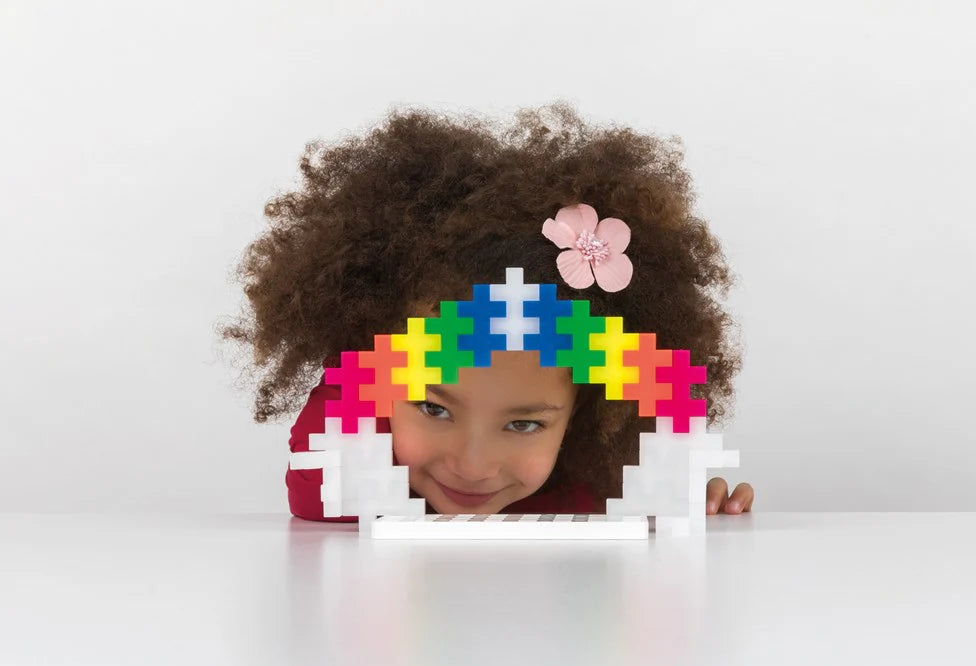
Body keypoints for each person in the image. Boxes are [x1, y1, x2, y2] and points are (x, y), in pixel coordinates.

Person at [221, 101, 755, 522]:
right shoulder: (349, 486)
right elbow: (314, 492)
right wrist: (366, 360)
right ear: (376, 381)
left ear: (586, 411)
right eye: (433, 408)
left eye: (524, 424)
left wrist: (690, 497)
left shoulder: (598, 495)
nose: (472, 465)